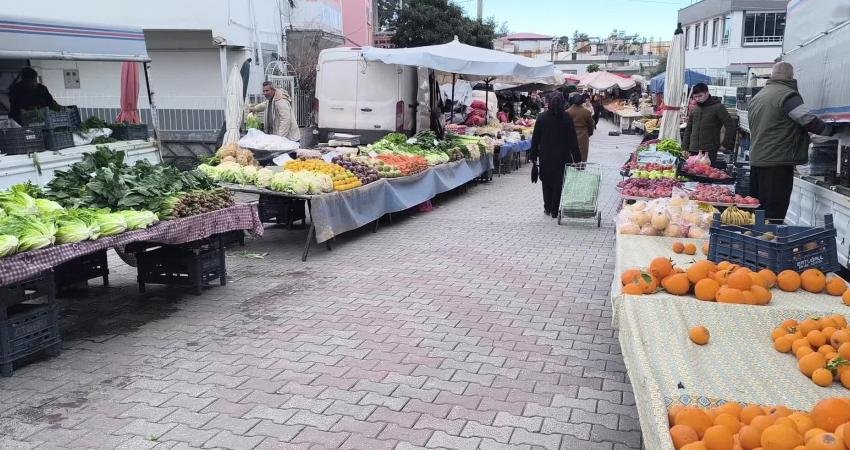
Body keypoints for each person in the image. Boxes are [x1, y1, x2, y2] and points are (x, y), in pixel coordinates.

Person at [748, 62, 840, 223]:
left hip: (757, 160)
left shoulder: (759, 96)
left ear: (772, 75)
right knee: (774, 210)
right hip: (777, 162)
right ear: (791, 76)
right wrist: (832, 131)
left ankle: (754, 242)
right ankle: (768, 245)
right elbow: (808, 121)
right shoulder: (787, 95)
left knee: (758, 208)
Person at [530, 92, 581, 218]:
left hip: (545, 156)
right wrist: (577, 159)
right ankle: (554, 209)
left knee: (546, 182)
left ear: (549, 102)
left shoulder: (541, 117)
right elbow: (573, 140)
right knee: (558, 183)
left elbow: (535, 139)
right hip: (563, 156)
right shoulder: (567, 117)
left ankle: (547, 207)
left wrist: (533, 156)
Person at [682, 83, 735, 164]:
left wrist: (725, 144)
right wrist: (684, 147)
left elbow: (730, 125)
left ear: (707, 93)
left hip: (709, 150)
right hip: (693, 148)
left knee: (706, 174)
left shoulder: (718, 107)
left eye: (700, 96)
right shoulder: (695, 109)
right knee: (691, 172)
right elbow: (688, 129)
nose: (697, 99)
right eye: (695, 97)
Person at [567, 93, 595, 162]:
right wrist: (589, 133)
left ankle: (570, 169)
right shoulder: (586, 112)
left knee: (571, 153)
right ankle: (581, 169)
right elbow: (591, 125)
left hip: (570, 134)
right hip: (583, 135)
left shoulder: (567, 112)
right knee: (582, 153)